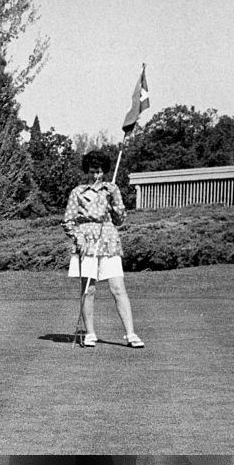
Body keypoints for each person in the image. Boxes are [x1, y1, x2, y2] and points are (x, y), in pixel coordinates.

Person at [64, 149, 144, 348]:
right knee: (89, 290)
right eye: (92, 171)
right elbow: (68, 221)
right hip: (87, 241)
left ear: (104, 171)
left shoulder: (112, 190)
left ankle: (131, 334)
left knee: (118, 288)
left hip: (108, 239)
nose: (95, 175)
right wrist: (78, 236)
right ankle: (90, 333)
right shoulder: (78, 192)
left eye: (99, 171)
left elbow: (120, 220)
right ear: (86, 171)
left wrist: (115, 201)